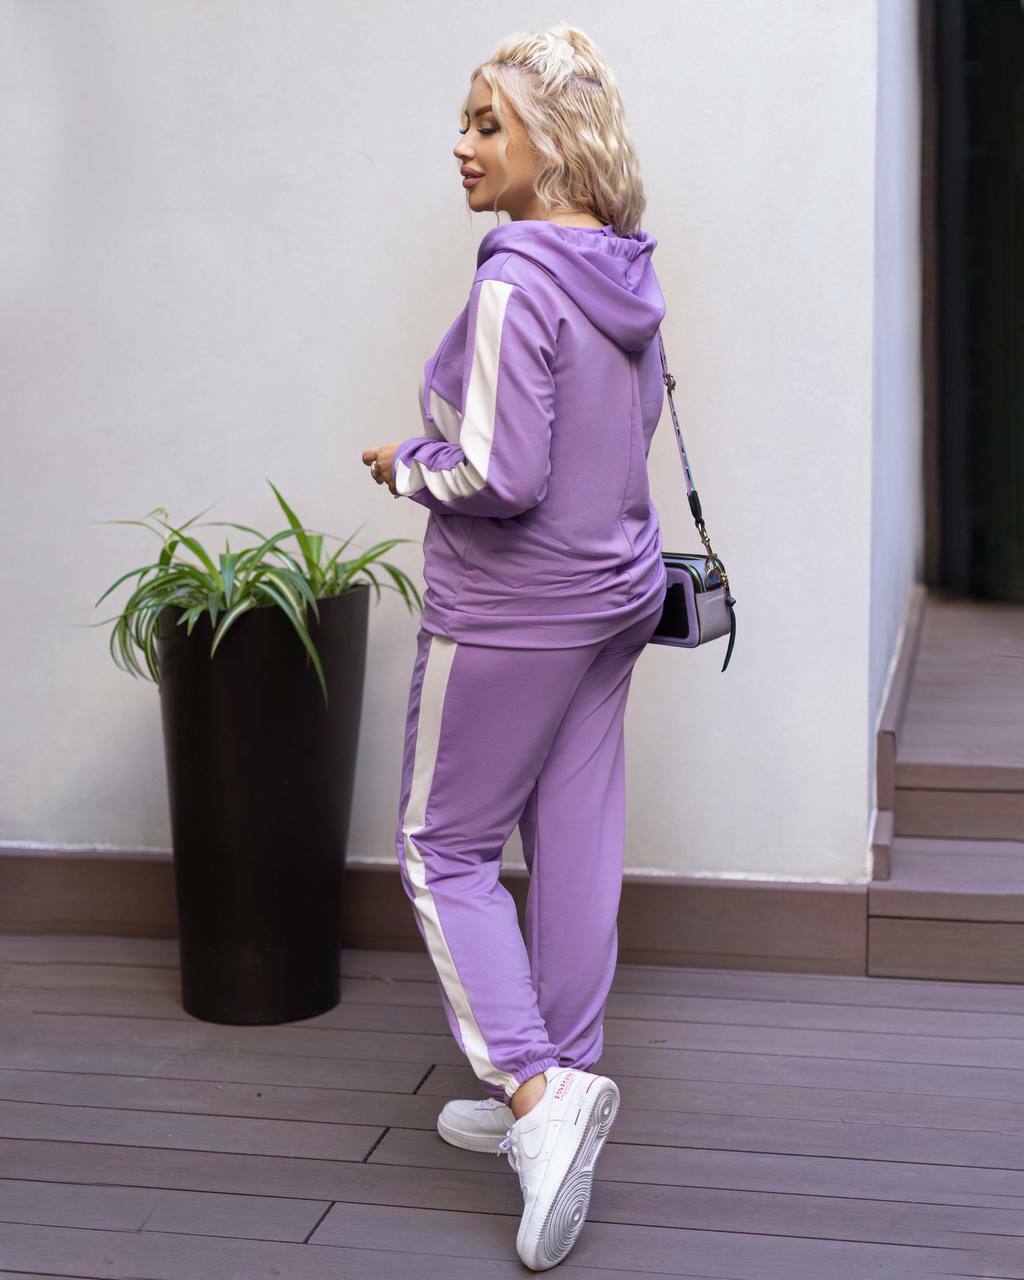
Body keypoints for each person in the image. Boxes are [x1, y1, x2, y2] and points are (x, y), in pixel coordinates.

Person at [362, 22, 668, 1272]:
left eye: (488, 124)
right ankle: (563, 1075)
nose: (463, 144)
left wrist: (405, 462)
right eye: (465, 122)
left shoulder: (514, 278)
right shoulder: (624, 271)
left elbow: (497, 471)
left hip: (514, 610)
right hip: (614, 595)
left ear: (555, 144)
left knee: (442, 848)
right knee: (575, 836)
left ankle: (537, 1097)